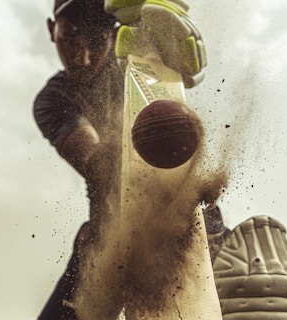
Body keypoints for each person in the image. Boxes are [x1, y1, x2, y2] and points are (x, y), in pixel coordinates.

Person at [33, 0, 207, 319]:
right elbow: (98, 166)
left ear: (115, 35)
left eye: (97, 41)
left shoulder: (139, 66)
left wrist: (155, 43)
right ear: (50, 30)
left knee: (229, 258)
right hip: (106, 234)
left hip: (185, 220)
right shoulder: (53, 99)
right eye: (70, 38)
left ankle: (236, 255)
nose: (83, 56)